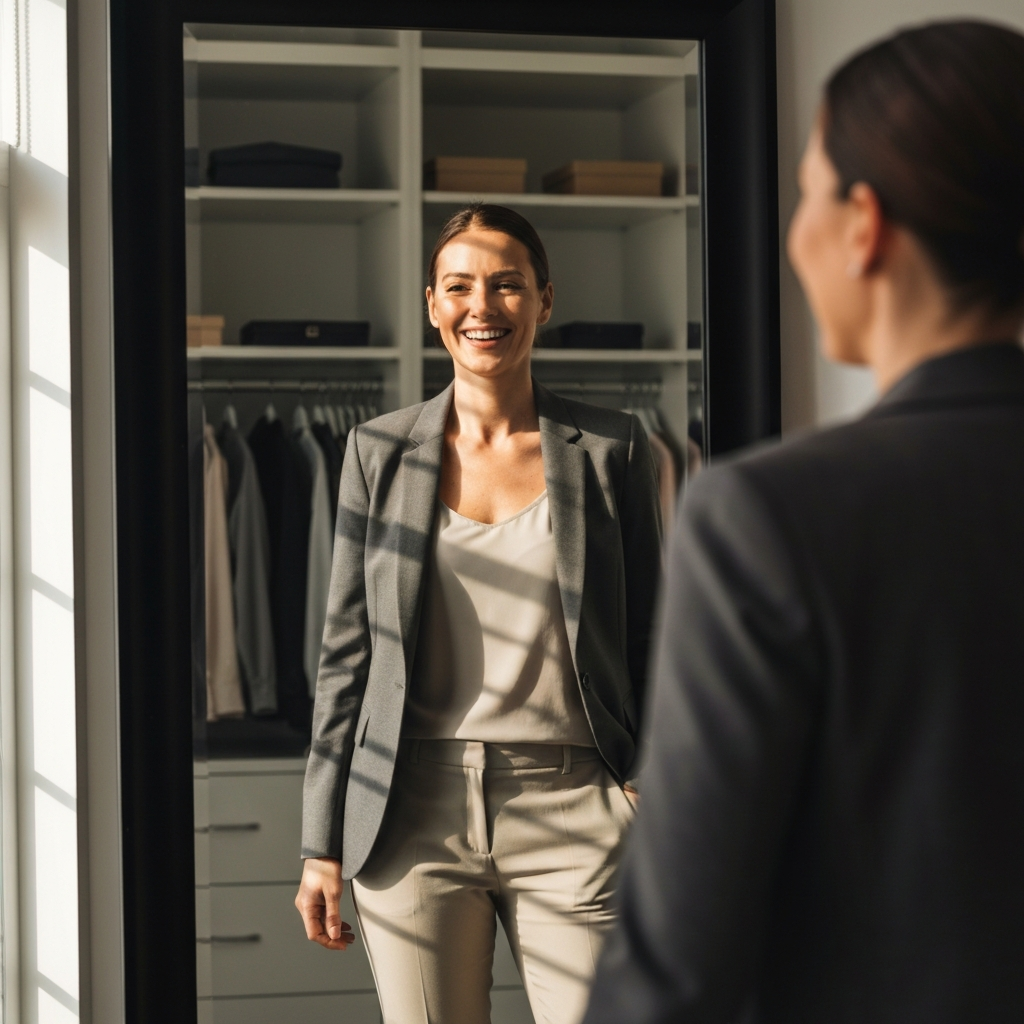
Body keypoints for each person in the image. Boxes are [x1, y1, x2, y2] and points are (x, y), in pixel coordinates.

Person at [583, 20, 1024, 1024]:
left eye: (806, 191)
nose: (793, 234)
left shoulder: (770, 518)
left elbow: (672, 971)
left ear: (863, 224)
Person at [295, 203, 662, 1024]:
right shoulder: (377, 453)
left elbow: (655, 633)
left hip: (575, 802)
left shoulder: (610, 448)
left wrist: (645, 785)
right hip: (409, 810)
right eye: (460, 286)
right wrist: (321, 842)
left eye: (507, 285)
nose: (482, 307)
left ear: (544, 299)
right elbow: (347, 658)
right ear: (432, 304)